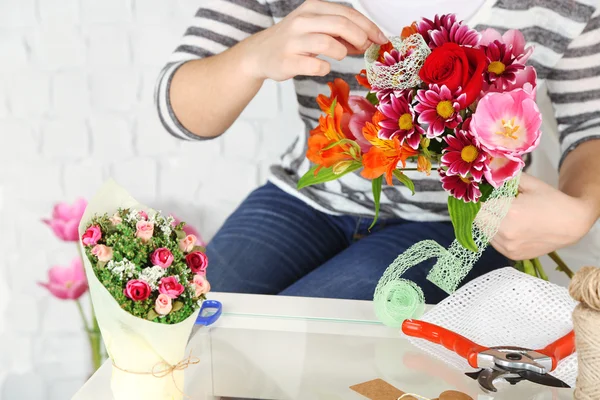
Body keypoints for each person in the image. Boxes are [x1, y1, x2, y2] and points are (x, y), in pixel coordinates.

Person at [156, 0, 600, 303]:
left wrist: (582, 207)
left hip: (461, 223)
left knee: (297, 341)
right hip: (305, 200)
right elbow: (178, 110)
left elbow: (590, 125)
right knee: (191, 324)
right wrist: (252, 55)